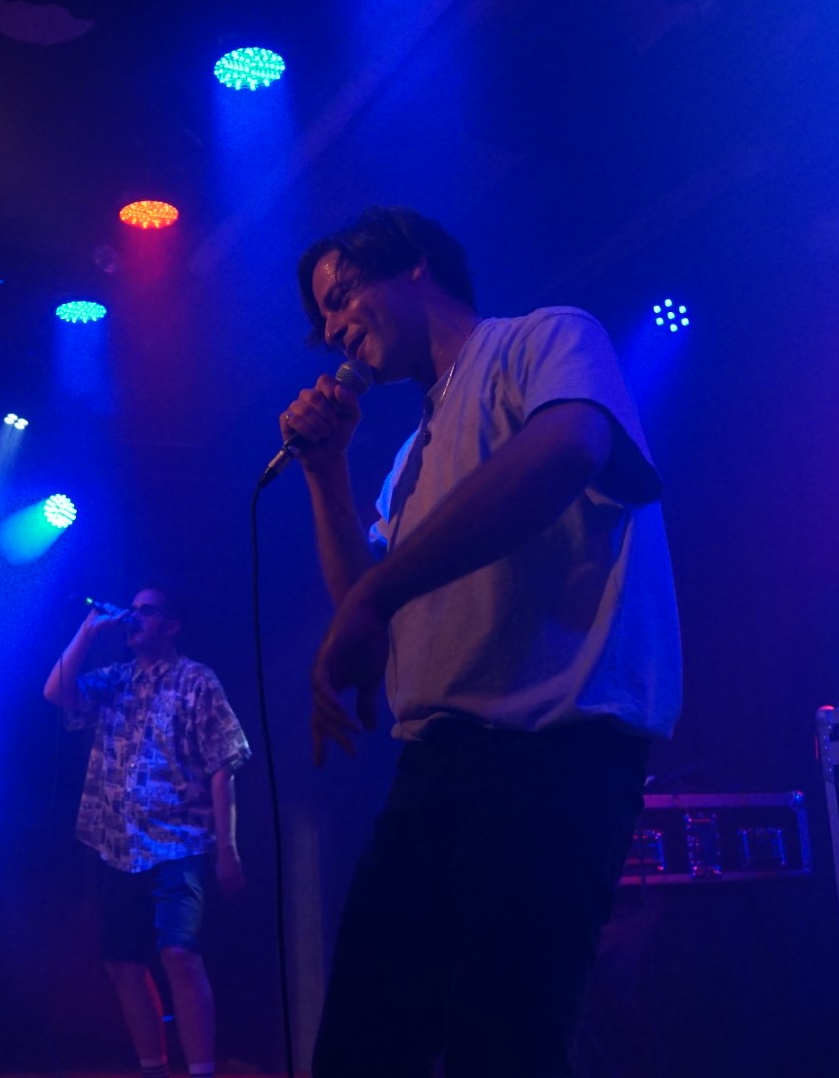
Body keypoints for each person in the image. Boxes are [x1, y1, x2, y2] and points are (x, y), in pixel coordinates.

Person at [278, 206, 682, 1076]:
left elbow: (571, 446)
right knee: (359, 1052)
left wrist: (377, 592)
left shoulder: (545, 338)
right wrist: (326, 471)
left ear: (414, 264)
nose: (334, 329)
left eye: (341, 296)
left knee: (503, 1050)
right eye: (323, 321)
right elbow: (364, 607)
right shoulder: (407, 461)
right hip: (432, 769)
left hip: (551, 761)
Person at [42, 590, 251, 1078]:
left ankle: (201, 1072)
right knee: (122, 963)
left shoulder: (196, 680)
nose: (135, 617)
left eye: (147, 611)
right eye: (132, 610)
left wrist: (228, 849)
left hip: (179, 842)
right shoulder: (115, 679)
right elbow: (56, 692)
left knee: (179, 953)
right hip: (118, 843)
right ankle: (153, 1069)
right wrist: (88, 631)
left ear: (171, 625)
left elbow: (224, 763)